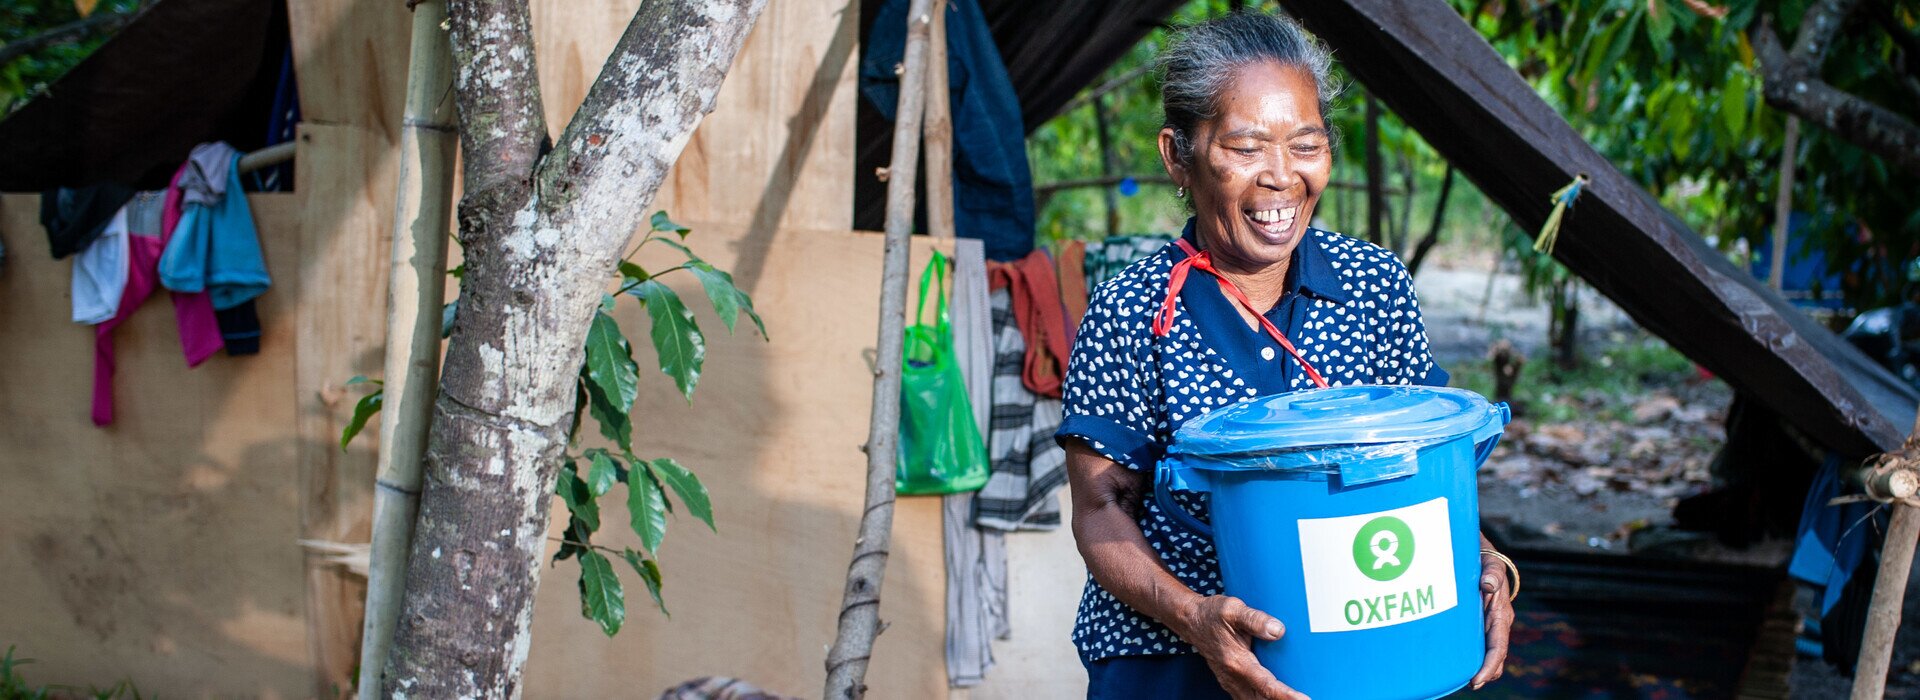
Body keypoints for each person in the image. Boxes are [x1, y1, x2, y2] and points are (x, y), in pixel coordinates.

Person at [1055, 12, 1516, 699]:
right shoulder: (1132, 311)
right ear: (1178, 156)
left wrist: (1487, 567)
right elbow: (1100, 508)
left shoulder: (1373, 286)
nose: (1281, 177)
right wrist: (1193, 616)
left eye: (1306, 144)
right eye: (1244, 147)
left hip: (1359, 651)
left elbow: (1427, 466)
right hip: (1174, 658)